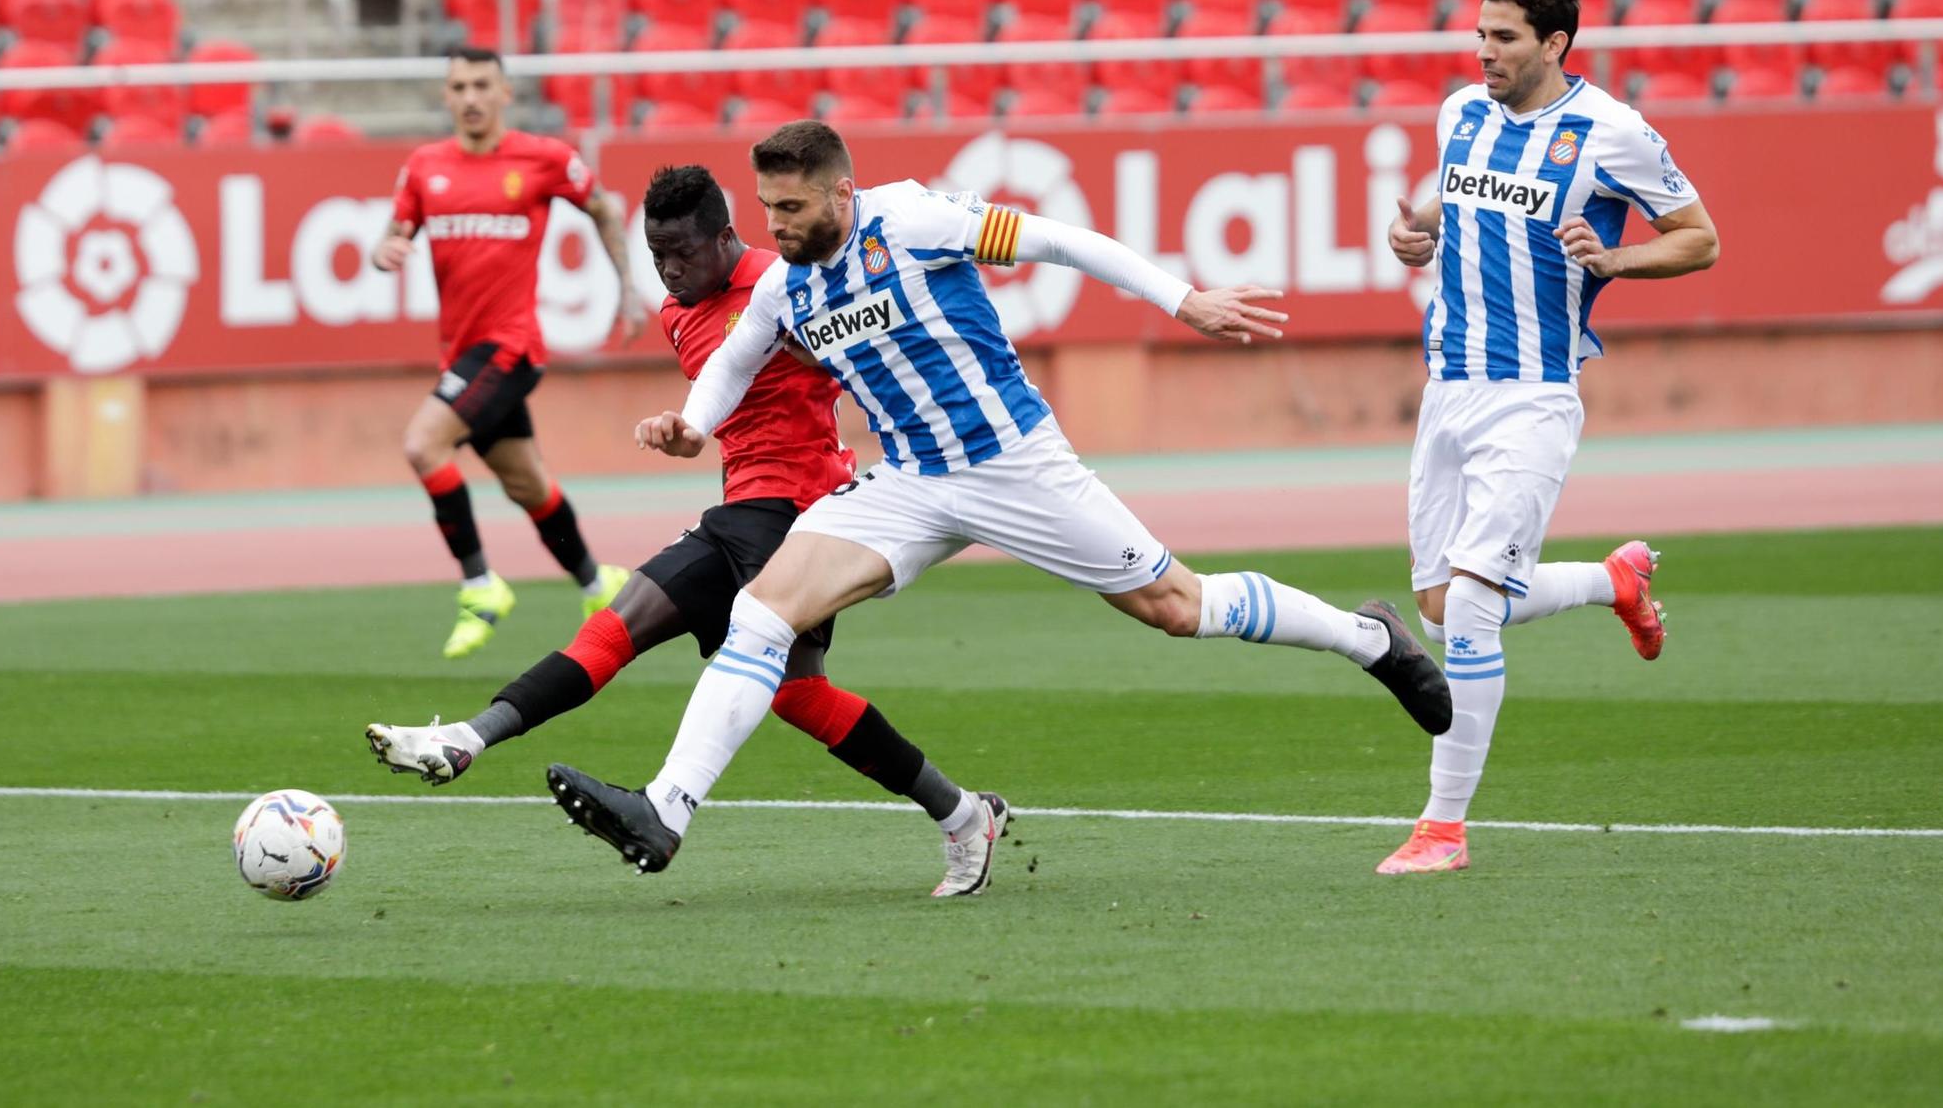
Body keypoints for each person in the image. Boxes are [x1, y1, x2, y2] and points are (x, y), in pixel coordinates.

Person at [544, 119, 1453, 881]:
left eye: (792, 207)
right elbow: (734, 362)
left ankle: (1367, 636)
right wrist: (692, 426)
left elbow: (1060, 240)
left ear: (842, 192)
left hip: (1013, 463)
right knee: (760, 610)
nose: (774, 227)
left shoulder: (914, 219)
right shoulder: (785, 285)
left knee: (1177, 607)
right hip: (909, 481)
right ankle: (666, 809)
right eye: (766, 209)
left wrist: (1185, 301)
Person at [367, 164, 1008, 896]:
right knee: (615, 627)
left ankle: (961, 815)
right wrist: (680, 429)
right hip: (737, 512)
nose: (669, 270)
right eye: (656, 255)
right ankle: (466, 738)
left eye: (682, 253)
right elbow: (723, 402)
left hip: (804, 516)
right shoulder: (678, 312)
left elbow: (857, 355)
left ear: (726, 238)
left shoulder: (786, 282)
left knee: (799, 695)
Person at [1373, 0, 1721, 876]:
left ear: (1555, 44)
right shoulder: (1461, 113)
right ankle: (1614, 584)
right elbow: (1457, 213)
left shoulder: (1612, 131)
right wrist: (1420, 236)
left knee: (1475, 612)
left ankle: (1442, 827)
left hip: (1532, 395)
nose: (1483, 51)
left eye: (1504, 38)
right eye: (1480, 33)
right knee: (1445, 604)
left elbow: (1700, 239)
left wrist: (1614, 262)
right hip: (1447, 388)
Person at [371, 47, 646, 660]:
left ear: (504, 94)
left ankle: (480, 586)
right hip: (461, 354)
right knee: (527, 484)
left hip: (511, 348)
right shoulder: (424, 166)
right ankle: (596, 584)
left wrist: (628, 291)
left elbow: (602, 208)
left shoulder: (542, 158)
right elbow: (393, 233)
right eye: (458, 86)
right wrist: (382, 252)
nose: (469, 97)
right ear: (447, 96)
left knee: (423, 443)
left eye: (481, 85)